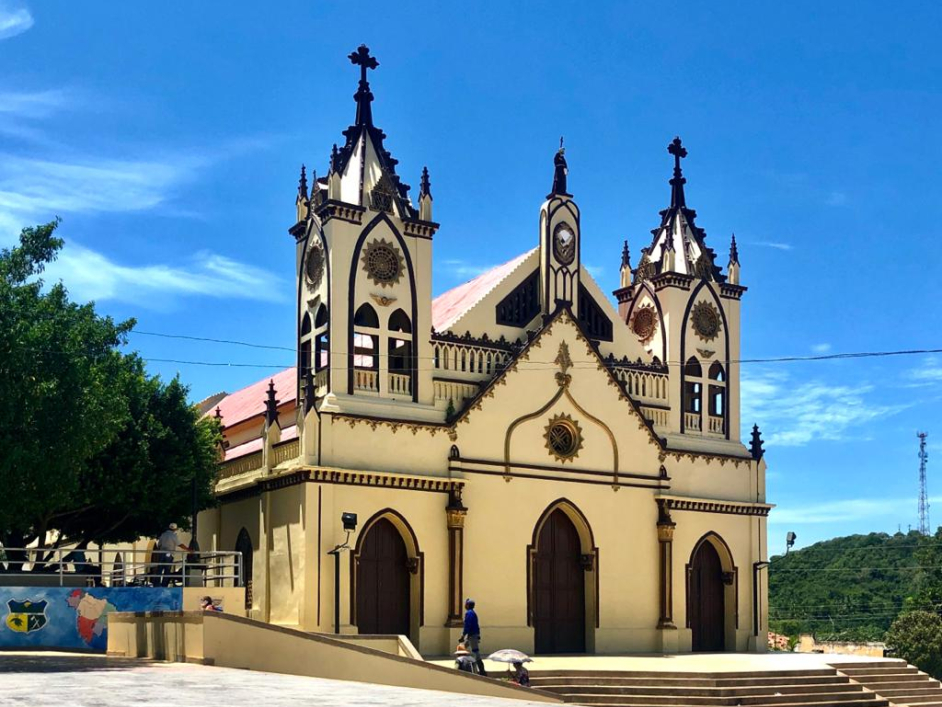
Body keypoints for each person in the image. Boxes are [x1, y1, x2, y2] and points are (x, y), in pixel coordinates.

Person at [459, 598, 487, 677]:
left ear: (467, 605)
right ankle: (462, 664)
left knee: (476, 653)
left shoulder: (469, 613)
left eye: (465, 604)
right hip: (472, 635)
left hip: (472, 636)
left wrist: (463, 636)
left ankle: (482, 671)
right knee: (462, 648)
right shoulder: (473, 613)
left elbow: (467, 625)